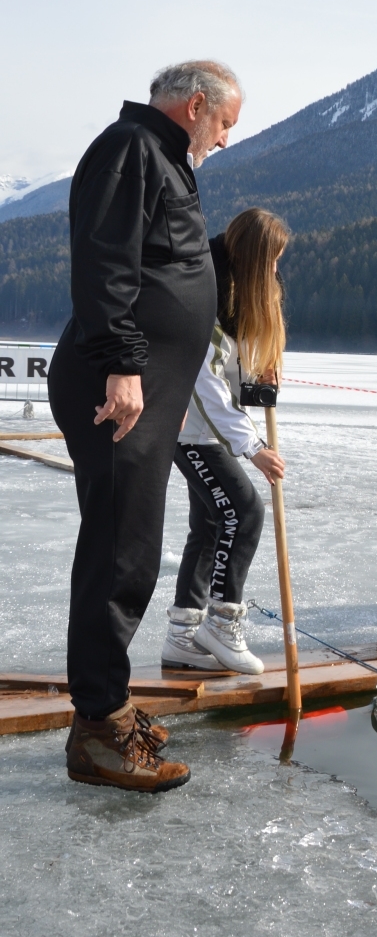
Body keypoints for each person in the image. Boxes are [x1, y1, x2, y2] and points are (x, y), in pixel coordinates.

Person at [49, 60, 242, 792]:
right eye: (225, 124)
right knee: (119, 548)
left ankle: (108, 709)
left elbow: (166, 265)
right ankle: (99, 729)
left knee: (130, 544)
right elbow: (104, 262)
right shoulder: (132, 146)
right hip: (119, 387)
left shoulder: (160, 156)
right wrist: (124, 366)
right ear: (197, 105)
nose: (225, 140)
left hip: (142, 388)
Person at [161, 208, 288, 675]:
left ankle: (182, 636)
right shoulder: (209, 289)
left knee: (212, 524)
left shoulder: (232, 290)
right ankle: (223, 620)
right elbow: (205, 379)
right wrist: (253, 446)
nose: (276, 271)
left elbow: (227, 369)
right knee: (245, 511)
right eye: (272, 261)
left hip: (202, 428)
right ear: (254, 258)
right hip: (192, 432)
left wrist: (257, 377)